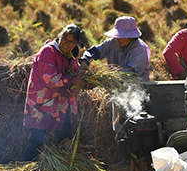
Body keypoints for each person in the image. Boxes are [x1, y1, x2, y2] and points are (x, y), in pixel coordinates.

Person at [22, 23, 87, 161]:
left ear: (76, 44)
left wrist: (85, 76)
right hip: (42, 103)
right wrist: (74, 81)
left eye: (71, 42)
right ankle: (21, 169)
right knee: (37, 141)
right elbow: (50, 78)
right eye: (65, 39)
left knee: (63, 139)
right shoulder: (48, 51)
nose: (66, 44)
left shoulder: (69, 55)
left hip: (58, 105)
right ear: (60, 36)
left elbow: (75, 71)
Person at [80, 16, 151, 81]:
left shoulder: (139, 49)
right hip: (115, 83)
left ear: (131, 37)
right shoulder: (112, 43)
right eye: (118, 36)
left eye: (123, 36)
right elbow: (94, 51)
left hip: (138, 86)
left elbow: (131, 73)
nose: (119, 39)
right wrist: (85, 61)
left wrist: (105, 75)